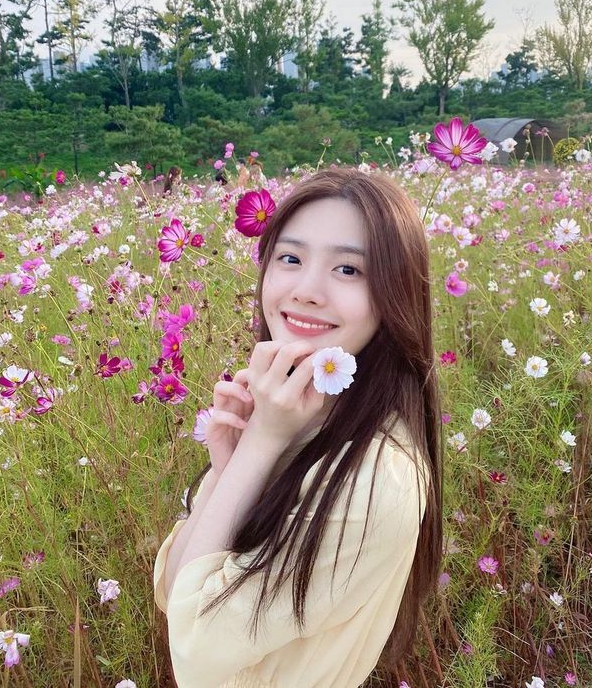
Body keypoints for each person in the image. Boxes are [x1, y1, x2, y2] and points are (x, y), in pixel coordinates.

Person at [154, 168, 442, 687]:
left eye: (349, 270)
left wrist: (261, 443)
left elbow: (191, 638)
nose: (306, 291)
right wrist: (231, 467)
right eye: (290, 258)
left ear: (394, 296)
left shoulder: (378, 479)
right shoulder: (299, 415)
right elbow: (176, 589)